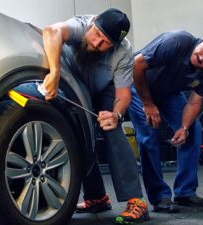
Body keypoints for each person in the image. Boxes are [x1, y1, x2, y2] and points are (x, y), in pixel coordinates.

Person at [42, 8, 149, 224]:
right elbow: (51, 31)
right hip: (75, 82)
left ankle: (136, 201)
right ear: (93, 23)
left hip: (105, 89)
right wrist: (54, 72)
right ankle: (96, 197)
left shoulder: (123, 53)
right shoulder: (80, 24)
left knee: (112, 129)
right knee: (80, 133)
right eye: (97, 35)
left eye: (106, 43)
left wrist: (116, 114)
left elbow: (123, 94)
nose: (98, 45)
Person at [128, 30, 203, 213]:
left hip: (168, 93)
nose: (202, 58)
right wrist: (148, 103)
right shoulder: (178, 41)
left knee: (193, 130)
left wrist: (183, 127)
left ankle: (185, 192)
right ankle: (160, 197)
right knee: (148, 135)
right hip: (137, 85)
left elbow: (195, 101)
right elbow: (136, 65)